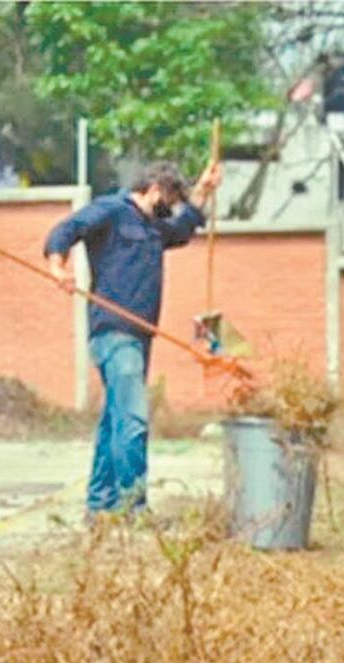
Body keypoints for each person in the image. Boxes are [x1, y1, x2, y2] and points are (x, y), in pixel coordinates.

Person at [44, 160, 222, 519]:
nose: (170, 208)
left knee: (116, 419)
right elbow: (66, 230)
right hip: (113, 333)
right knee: (133, 420)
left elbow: (183, 228)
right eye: (170, 199)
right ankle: (133, 507)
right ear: (155, 189)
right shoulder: (111, 210)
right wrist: (57, 268)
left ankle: (100, 504)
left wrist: (203, 190)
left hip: (140, 335)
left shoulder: (154, 228)